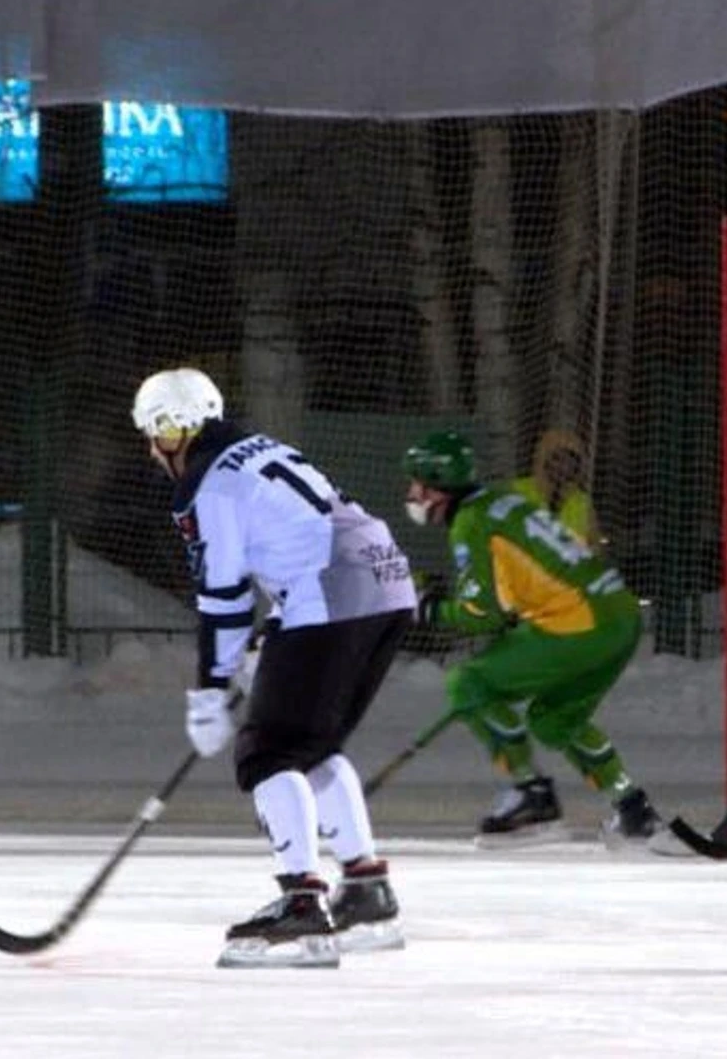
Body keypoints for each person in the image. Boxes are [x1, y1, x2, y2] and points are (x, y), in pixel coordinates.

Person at [132, 367, 414, 968]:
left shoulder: (210, 487)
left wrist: (210, 689)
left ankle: (301, 908)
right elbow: (296, 532)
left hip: (331, 592)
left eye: (153, 437)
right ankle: (366, 892)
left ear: (169, 431)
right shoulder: (257, 449)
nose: (153, 453)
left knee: (269, 751)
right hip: (385, 583)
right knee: (311, 744)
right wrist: (281, 625)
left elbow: (224, 594)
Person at [402, 429, 668, 850]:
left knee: (468, 683)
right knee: (555, 719)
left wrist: (428, 608)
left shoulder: (471, 522)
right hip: (619, 617)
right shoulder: (501, 502)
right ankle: (633, 808)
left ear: (440, 485)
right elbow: (522, 578)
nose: (413, 493)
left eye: (418, 483)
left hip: (577, 624)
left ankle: (531, 795)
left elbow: (478, 616)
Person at [511, 427, 600, 547]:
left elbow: (594, 546)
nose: (563, 467)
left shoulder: (582, 502)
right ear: (544, 458)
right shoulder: (518, 490)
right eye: (557, 458)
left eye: (570, 461)